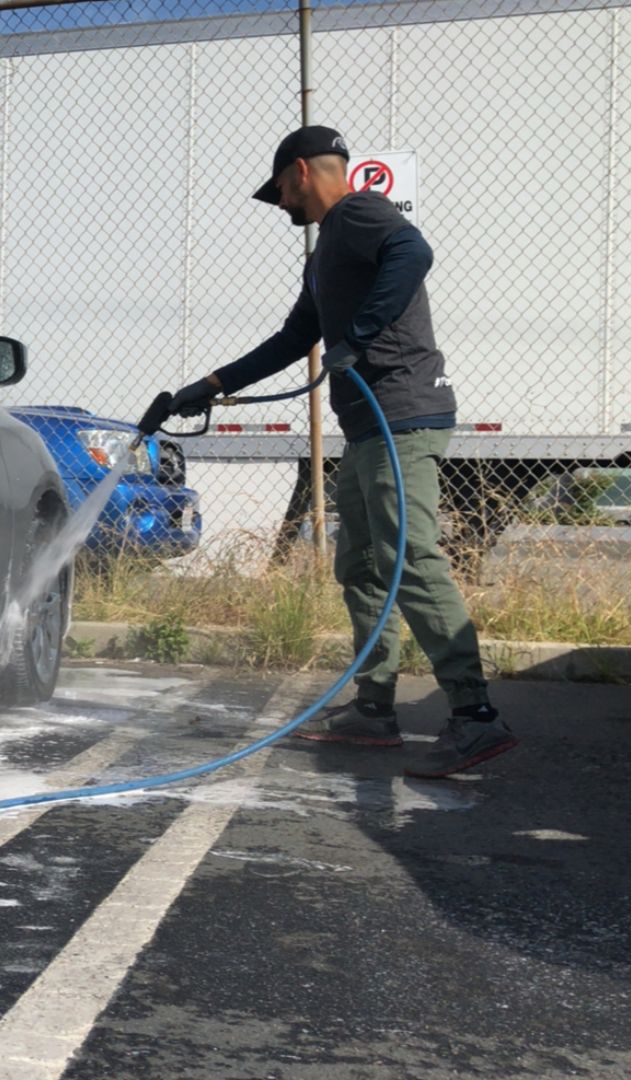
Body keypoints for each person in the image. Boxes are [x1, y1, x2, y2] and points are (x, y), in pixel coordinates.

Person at [159, 126, 517, 778]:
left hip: (402, 418)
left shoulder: (356, 213)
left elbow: (413, 252)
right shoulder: (324, 251)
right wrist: (207, 387)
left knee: (408, 557)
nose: (281, 207)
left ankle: (475, 716)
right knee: (360, 565)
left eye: (281, 193)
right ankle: (374, 708)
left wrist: (357, 333)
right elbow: (295, 336)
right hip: (366, 434)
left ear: (300, 172)